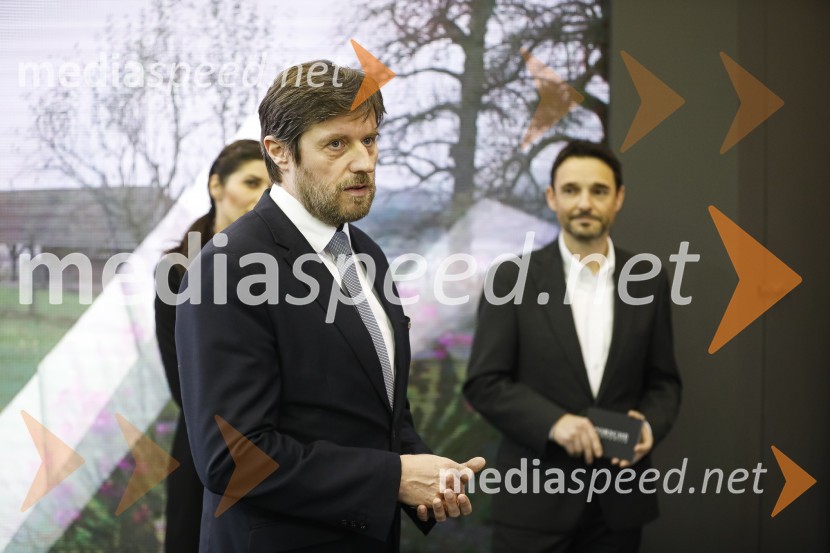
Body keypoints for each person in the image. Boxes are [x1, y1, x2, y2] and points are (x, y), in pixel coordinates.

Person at [175, 60, 484, 553]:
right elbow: (232, 458)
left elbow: (381, 410)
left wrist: (427, 473)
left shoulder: (365, 251)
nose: (363, 161)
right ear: (278, 152)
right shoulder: (228, 266)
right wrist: (393, 478)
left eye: (370, 140)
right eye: (336, 144)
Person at [464, 140, 682, 553]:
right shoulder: (511, 279)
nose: (584, 203)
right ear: (552, 197)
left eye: (598, 191)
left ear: (618, 198)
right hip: (533, 507)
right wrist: (554, 423)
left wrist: (649, 426)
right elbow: (485, 383)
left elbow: (664, 383)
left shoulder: (648, 281)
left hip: (619, 509)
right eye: (571, 190)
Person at [154, 139, 270, 552]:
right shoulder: (178, 270)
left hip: (277, 454)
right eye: (251, 181)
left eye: (270, 184)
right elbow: (182, 382)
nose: (261, 194)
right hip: (205, 449)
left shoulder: (285, 270)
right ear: (216, 186)